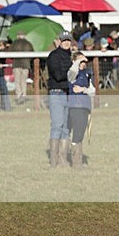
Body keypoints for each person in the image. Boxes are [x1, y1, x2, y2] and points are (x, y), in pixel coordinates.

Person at [46, 32, 74, 167]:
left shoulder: (73, 56)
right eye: (64, 40)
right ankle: (54, 159)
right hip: (57, 93)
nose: (67, 43)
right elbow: (57, 75)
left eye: (68, 40)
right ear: (59, 41)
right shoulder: (53, 56)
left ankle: (63, 159)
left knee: (67, 128)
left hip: (69, 94)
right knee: (57, 125)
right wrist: (72, 71)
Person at [67, 52, 95, 169]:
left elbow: (92, 91)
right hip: (75, 106)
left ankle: (77, 160)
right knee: (77, 133)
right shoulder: (72, 73)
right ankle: (76, 161)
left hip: (85, 106)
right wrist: (78, 60)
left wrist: (84, 89)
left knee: (81, 133)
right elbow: (72, 74)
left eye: (84, 62)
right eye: (80, 61)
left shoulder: (87, 75)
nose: (83, 63)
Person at [9, 32, 34, 105]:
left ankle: (18, 96)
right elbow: (32, 53)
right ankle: (24, 95)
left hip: (16, 64)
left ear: (17, 36)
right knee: (23, 81)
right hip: (26, 64)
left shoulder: (14, 43)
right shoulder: (28, 43)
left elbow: (10, 53)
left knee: (17, 81)